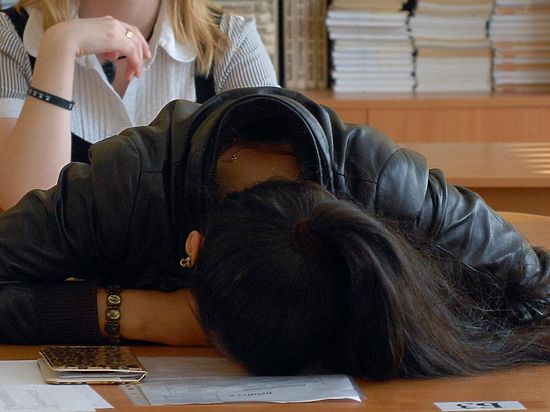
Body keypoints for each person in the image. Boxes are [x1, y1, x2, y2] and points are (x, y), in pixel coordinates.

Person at [0, 87, 549, 379]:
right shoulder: (124, 186)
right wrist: (142, 314)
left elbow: (537, 289)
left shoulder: (389, 188)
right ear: (194, 248)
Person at [0, 0, 278, 210]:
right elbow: (24, 205)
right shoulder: (10, 34)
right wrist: (60, 46)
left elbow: (273, 196)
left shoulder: (231, 38)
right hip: (63, 272)